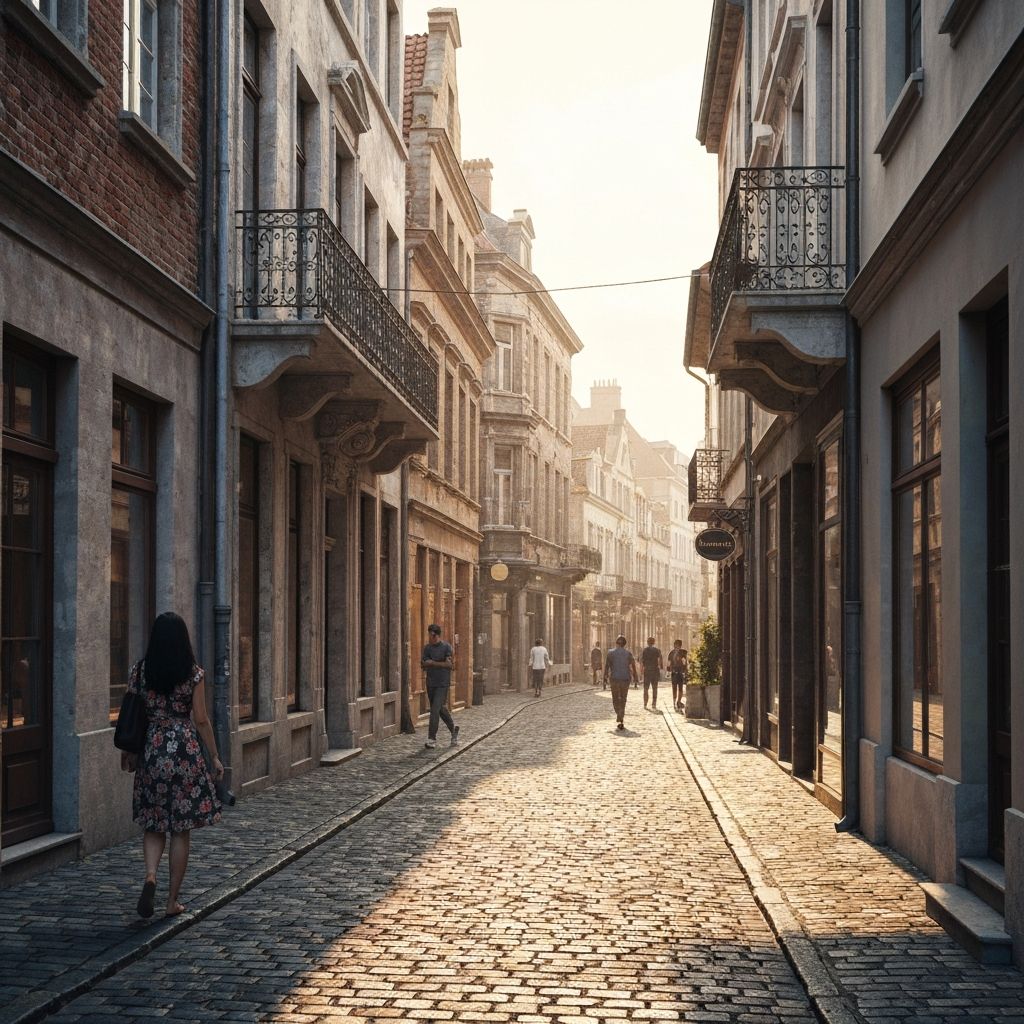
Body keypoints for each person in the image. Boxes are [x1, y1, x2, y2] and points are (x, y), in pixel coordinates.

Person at [120, 612, 223, 920]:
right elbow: (201, 719)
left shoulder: (140, 671)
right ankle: (171, 902)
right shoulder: (193, 673)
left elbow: (131, 711)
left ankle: (150, 875)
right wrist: (215, 756)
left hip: (152, 748)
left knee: (153, 824)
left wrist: (128, 751)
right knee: (180, 829)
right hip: (184, 751)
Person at [421, 623, 460, 749]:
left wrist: (432, 662)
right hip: (431, 683)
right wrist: (432, 663)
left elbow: (449, 665)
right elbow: (423, 664)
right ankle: (454, 731)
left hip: (442, 683)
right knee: (440, 709)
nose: (429, 637)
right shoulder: (427, 648)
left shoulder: (446, 647)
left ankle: (431, 739)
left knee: (434, 710)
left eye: (430, 634)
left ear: (435, 635)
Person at [604, 634, 638, 731]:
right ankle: (621, 716)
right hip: (625, 679)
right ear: (625, 644)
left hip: (614, 679)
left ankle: (619, 713)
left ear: (616, 643)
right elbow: (633, 666)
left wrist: (605, 678)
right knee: (623, 698)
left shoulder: (610, 653)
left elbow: (607, 666)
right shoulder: (628, 654)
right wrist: (635, 678)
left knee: (615, 699)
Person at [640, 636, 663, 711]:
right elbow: (660, 660)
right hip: (655, 671)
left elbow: (641, 661)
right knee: (654, 688)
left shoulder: (645, 650)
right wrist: (660, 667)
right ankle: (654, 703)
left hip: (647, 671)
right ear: (654, 642)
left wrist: (641, 670)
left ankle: (645, 703)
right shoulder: (657, 650)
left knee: (646, 688)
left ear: (647, 642)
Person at [668, 640, 688, 712]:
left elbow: (669, 663)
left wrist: (668, 671)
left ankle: (676, 701)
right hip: (680, 672)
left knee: (675, 687)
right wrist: (685, 670)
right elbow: (684, 662)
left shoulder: (672, 653)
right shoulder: (683, 652)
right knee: (679, 688)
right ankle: (678, 701)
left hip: (675, 672)